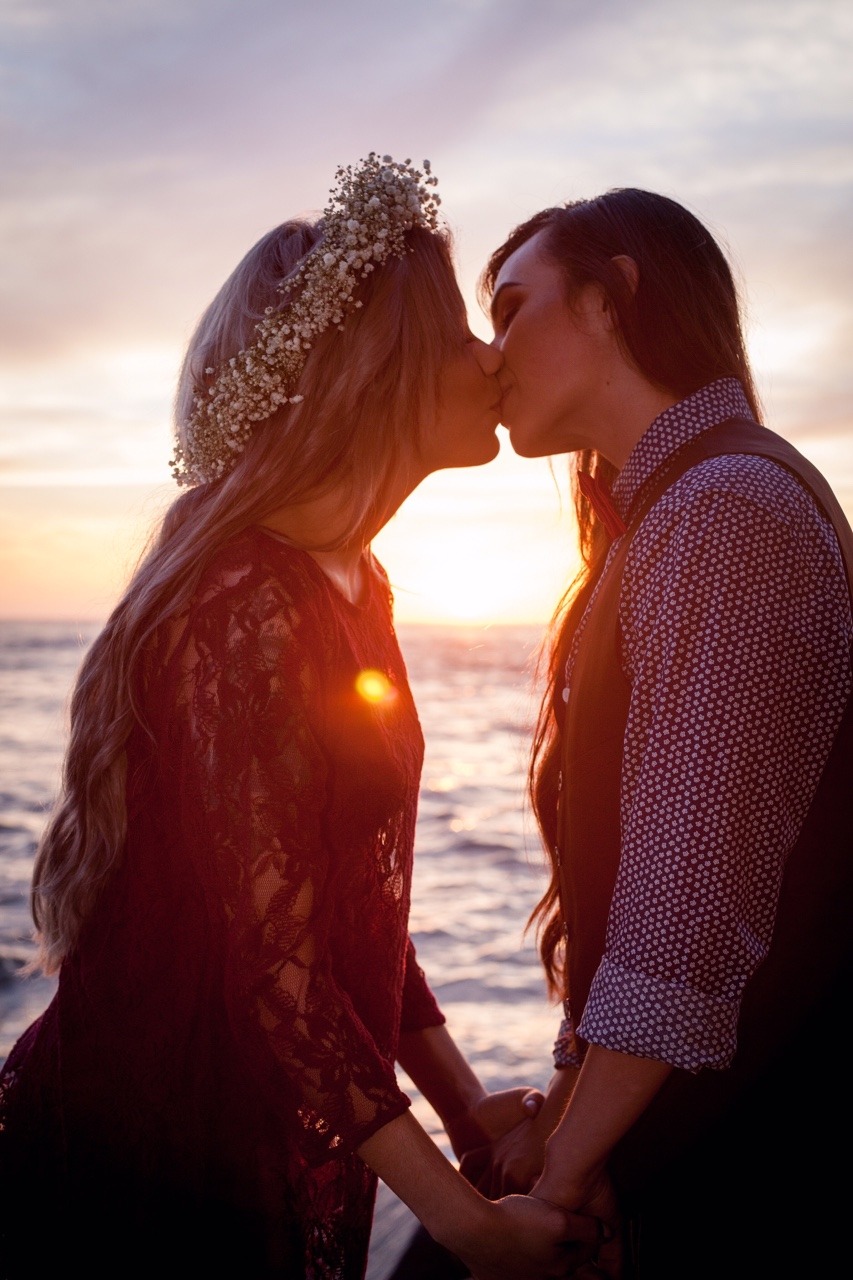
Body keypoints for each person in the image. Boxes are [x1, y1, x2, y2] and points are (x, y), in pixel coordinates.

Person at [0, 155, 603, 1280]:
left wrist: (469, 1117)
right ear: (377, 371)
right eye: (457, 335)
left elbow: (352, 924)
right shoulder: (241, 598)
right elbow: (281, 972)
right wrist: (468, 1226)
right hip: (147, 1151)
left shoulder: (351, 583)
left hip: (242, 1122)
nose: (490, 359)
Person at [474, 189, 853, 1277]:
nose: (492, 353)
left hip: (754, 1177)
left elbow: (682, 924)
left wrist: (556, 1189)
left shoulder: (725, 507)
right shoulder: (678, 511)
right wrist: (561, 1122)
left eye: (512, 308)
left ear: (612, 297)